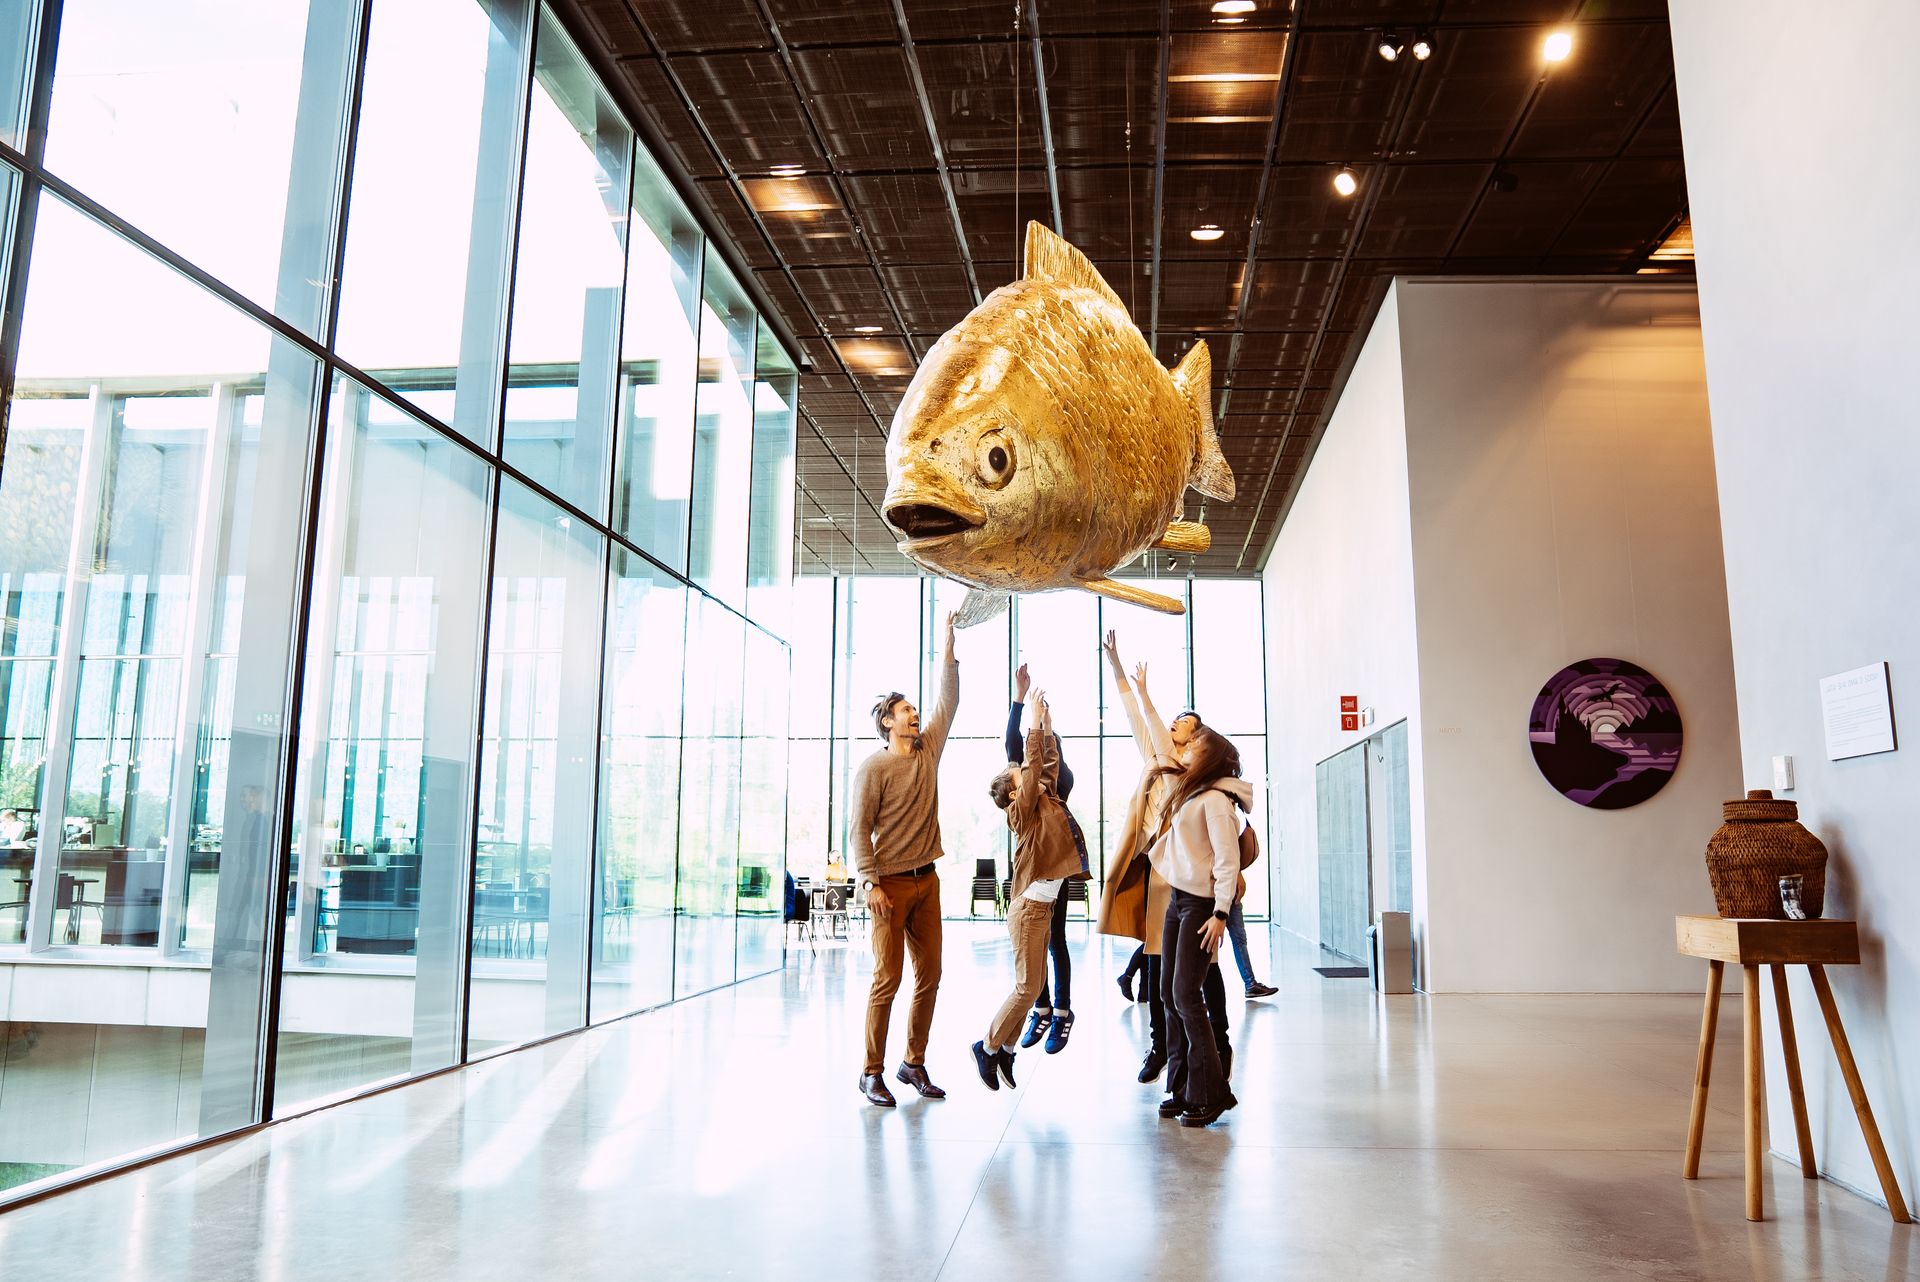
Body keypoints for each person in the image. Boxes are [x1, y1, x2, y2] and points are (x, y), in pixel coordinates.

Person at [1095, 634, 1230, 1086]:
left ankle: (1217, 1043)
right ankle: (1162, 1049)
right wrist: (1115, 664)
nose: (1173, 725)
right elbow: (1138, 717)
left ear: (1199, 740)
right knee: (1160, 968)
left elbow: (1148, 718)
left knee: (1199, 970)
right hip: (1157, 875)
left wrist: (1148, 694)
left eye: (1184, 723)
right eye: (1174, 721)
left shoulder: (1196, 777)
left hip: (1192, 880)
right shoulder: (1158, 760)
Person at [851, 611, 959, 1108]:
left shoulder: (927, 752)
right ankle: (871, 1072)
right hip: (889, 887)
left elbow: (949, 700)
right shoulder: (874, 768)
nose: (916, 714)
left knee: (930, 975)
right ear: (887, 722)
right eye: (906, 710)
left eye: (916, 709)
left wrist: (948, 649)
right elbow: (859, 831)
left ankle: (912, 1063)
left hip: (928, 881)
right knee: (886, 980)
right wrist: (869, 883)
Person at [973, 689, 1082, 1089]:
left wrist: (1047, 728)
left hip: (1041, 909)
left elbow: (1047, 768)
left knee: (1033, 986)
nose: (1027, 773)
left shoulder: (1043, 801)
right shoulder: (1021, 812)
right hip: (1028, 912)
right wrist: (1033, 723)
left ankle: (1006, 1050)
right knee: (1027, 988)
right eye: (1022, 777)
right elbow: (1034, 765)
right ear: (1016, 792)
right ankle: (986, 1047)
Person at [1148, 724, 1253, 1127]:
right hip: (1178, 900)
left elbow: (1228, 861)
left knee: (1186, 996)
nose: (1188, 746)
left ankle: (1213, 1093)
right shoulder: (1194, 792)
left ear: (1209, 756)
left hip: (1201, 905)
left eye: (1196, 743)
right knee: (1168, 993)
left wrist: (1221, 913)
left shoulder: (1215, 801)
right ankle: (1180, 1087)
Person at [1006, 663, 1090, 1054]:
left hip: (1059, 864)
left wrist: (1044, 723)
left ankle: (1061, 1011)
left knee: (1057, 939)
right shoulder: (1023, 776)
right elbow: (1014, 746)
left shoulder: (1054, 769)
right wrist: (1018, 701)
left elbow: (1046, 760)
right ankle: (1040, 1008)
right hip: (1036, 863)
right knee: (1039, 940)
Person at [1226, 901, 1278, 998]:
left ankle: (1251, 985)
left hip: (1232, 897)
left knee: (1240, 940)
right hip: (1212, 897)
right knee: (1209, 943)